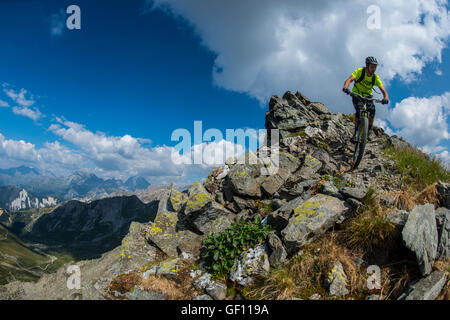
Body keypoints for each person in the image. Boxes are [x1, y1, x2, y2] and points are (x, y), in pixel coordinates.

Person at [342, 56, 389, 142]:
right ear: (367, 65)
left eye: (375, 67)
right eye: (372, 66)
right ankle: (355, 133)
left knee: (372, 110)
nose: (374, 69)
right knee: (359, 111)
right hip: (357, 94)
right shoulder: (360, 71)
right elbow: (350, 79)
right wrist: (346, 87)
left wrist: (385, 98)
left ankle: (368, 130)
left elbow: (383, 90)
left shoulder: (375, 77)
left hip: (368, 97)